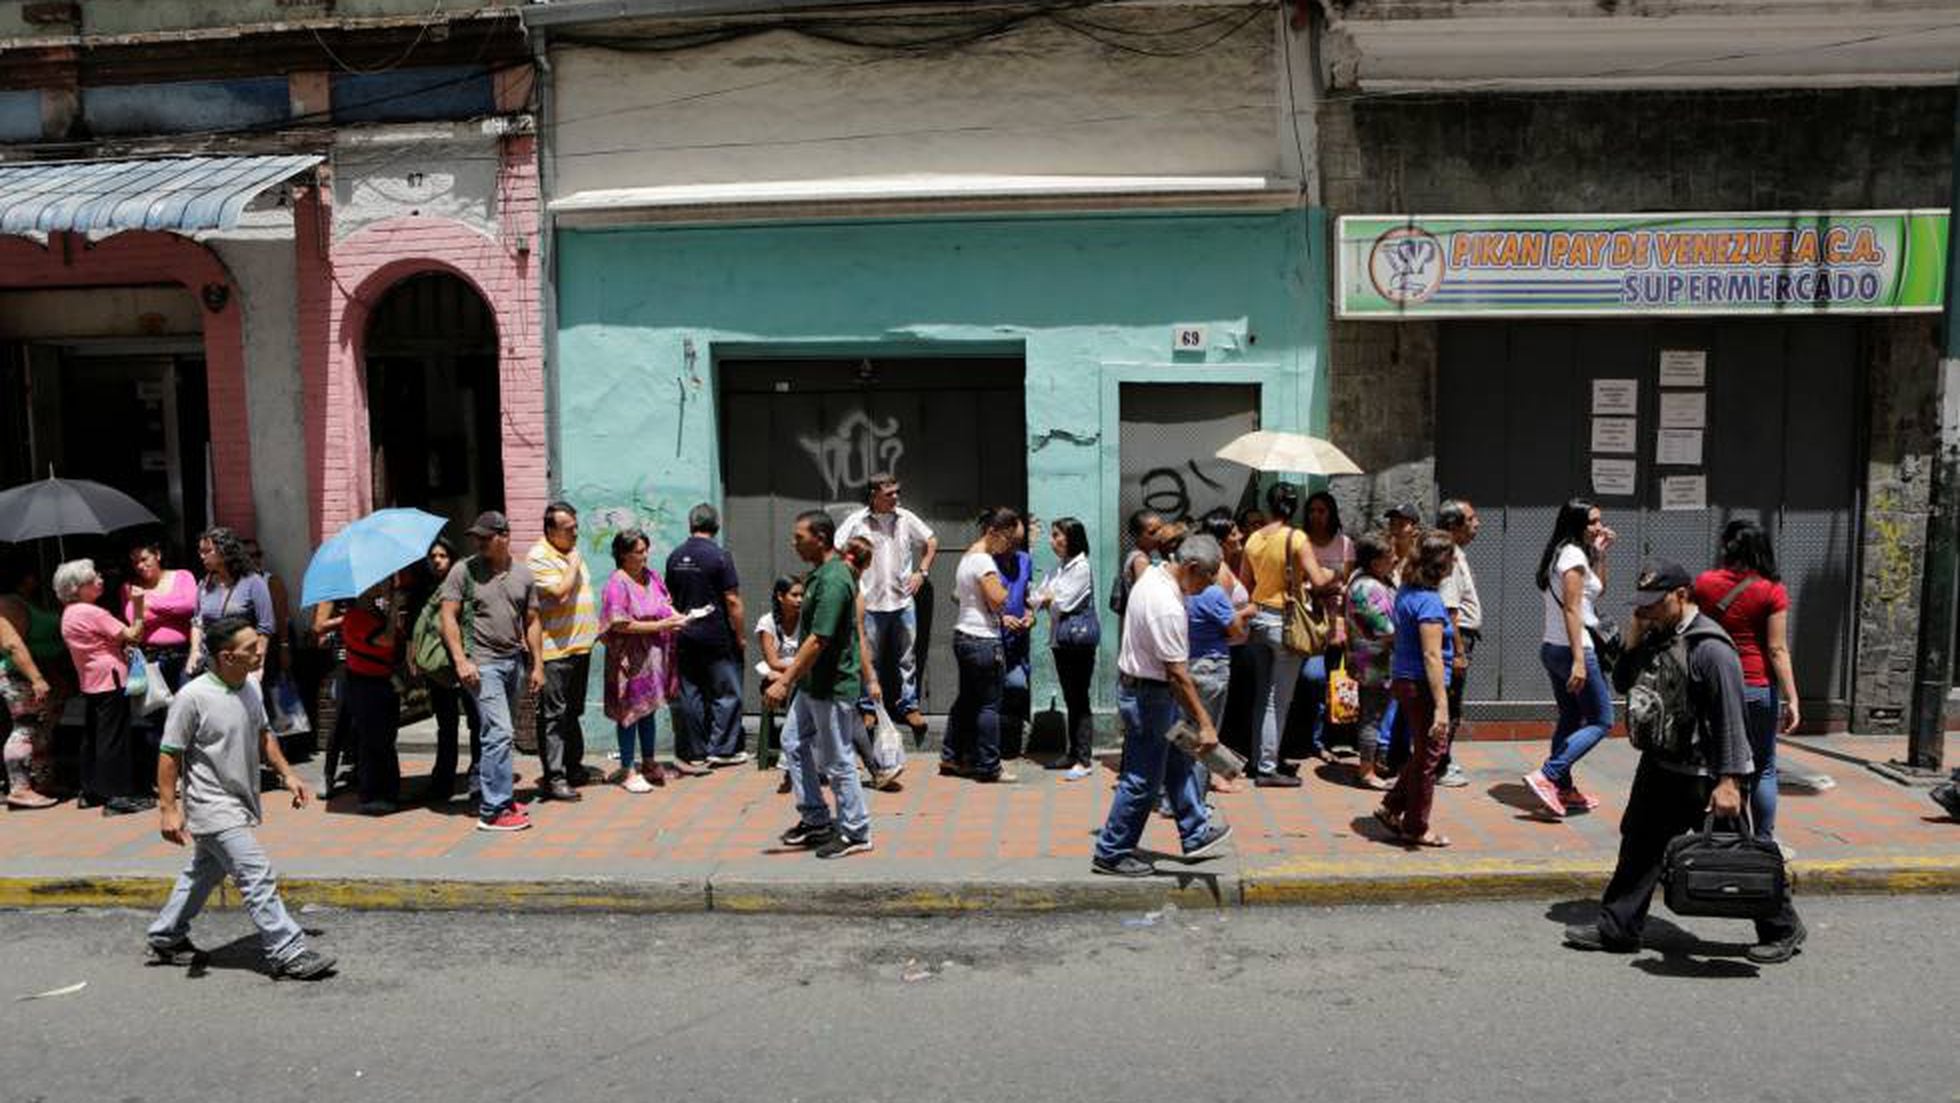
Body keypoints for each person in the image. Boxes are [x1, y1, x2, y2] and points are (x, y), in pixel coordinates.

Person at [1564, 560, 1806, 964]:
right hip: (1662, 764)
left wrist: (1729, 781)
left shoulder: (1710, 647)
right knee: (1639, 846)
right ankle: (1618, 928)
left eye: (1654, 603)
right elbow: (1623, 681)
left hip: (1706, 776)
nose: (1646, 610)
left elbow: (1731, 717)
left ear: (1681, 595)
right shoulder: (1657, 634)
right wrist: (1634, 637)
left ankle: (1783, 926)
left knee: (1734, 851)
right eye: (1642, 603)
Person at [144, 613, 336, 980]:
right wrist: (168, 809)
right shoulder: (192, 697)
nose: (259, 651)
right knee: (256, 873)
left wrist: (288, 775)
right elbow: (169, 754)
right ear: (226, 656)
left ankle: (166, 936)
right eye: (250, 648)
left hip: (239, 800)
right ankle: (287, 950)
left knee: (203, 874)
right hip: (210, 805)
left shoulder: (250, 686)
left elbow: (264, 734)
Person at [1090, 534, 1236, 877]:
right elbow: (1178, 674)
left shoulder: (1154, 575)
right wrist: (1206, 723)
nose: (1209, 585)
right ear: (1192, 567)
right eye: (1208, 577)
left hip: (1151, 693)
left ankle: (1195, 831)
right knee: (1142, 778)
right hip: (1150, 698)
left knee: (1179, 759)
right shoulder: (1167, 606)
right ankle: (1111, 852)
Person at [762, 511, 874, 859]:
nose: (793, 543)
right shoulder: (818, 576)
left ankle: (856, 831)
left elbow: (818, 639)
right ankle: (816, 820)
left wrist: (785, 680)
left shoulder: (835, 579)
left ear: (821, 538)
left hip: (831, 685)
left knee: (838, 759)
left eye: (799, 537)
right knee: (793, 743)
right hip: (812, 685)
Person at [1693, 520, 1800, 842]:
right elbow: (1777, 649)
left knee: (1716, 761)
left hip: (1713, 684)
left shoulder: (1704, 583)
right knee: (1764, 766)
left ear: (1727, 548)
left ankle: (1721, 836)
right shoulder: (1771, 590)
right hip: (1756, 687)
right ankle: (1764, 842)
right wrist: (1792, 698)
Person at [439, 511, 545, 833]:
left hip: (513, 661)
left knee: (500, 733)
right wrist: (461, 660)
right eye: (478, 538)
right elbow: (447, 618)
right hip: (481, 664)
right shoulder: (464, 571)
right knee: (499, 733)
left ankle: (502, 796)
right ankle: (492, 809)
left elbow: (533, 621)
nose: (481, 543)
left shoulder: (523, 576)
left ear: (505, 536)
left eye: (487, 537)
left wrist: (537, 664)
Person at [1239, 483, 1338, 788]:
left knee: (1262, 697)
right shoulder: (1297, 538)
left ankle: (1258, 760)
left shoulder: (1254, 538)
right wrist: (1336, 574)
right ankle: (1268, 767)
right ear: (1294, 508)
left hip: (1257, 620)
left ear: (1269, 505)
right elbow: (1320, 580)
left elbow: (1245, 583)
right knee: (1277, 700)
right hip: (1284, 622)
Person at [1524, 499, 1617, 818]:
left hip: (1553, 647)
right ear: (1576, 522)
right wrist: (1579, 659)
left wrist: (1601, 553)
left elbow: (1596, 592)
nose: (1599, 526)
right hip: (1573, 649)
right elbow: (1572, 608)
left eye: (1600, 520)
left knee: (1569, 717)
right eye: (1592, 521)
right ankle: (1548, 775)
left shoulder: (1564, 553)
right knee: (1602, 720)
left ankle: (1562, 788)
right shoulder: (1573, 555)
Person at [835, 473, 937, 742]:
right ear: (874, 494)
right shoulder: (856, 522)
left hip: (902, 602)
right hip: (869, 603)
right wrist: (852, 583)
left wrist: (921, 572)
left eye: (897, 492)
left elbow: (931, 541)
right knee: (870, 660)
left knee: (907, 658)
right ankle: (869, 708)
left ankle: (909, 706)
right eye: (889, 493)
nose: (895, 497)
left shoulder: (905, 518)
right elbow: (837, 550)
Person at [1374, 532, 1458, 848]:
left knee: (1423, 750)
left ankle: (1392, 805)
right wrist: (1441, 706)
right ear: (1442, 564)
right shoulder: (1430, 602)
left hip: (1405, 679)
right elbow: (1432, 655)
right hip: (1421, 685)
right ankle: (1416, 826)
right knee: (1430, 757)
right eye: (1453, 558)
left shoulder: (1408, 592)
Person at [57, 559, 154, 815]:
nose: (99, 580)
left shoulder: (69, 613)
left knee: (94, 737)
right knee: (114, 739)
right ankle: (117, 795)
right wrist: (139, 606)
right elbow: (133, 634)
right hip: (110, 677)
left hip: (91, 679)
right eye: (92, 579)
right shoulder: (92, 612)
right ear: (77, 588)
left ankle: (92, 790)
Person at [599, 529, 687, 794]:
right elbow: (620, 624)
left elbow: (665, 604)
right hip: (628, 659)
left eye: (646, 549)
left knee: (648, 708)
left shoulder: (652, 577)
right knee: (629, 713)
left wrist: (680, 617)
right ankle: (628, 769)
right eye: (639, 551)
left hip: (653, 655)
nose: (645, 555)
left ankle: (648, 763)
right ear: (623, 555)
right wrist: (661, 624)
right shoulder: (618, 583)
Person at [527, 502, 600, 802]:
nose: (575, 533)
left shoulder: (570, 552)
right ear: (550, 530)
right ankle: (554, 777)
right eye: (568, 529)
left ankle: (574, 767)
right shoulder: (539, 558)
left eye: (575, 527)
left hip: (580, 647)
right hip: (555, 651)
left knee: (572, 713)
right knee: (554, 716)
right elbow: (559, 593)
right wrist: (572, 563)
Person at [665, 503, 746, 771]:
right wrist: (740, 635)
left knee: (691, 693)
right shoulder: (720, 556)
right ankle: (722, 749)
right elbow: (732, 601)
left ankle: (695, 752)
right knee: (726, 692)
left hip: (685, 635)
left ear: (691, 525)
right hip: (717, 636)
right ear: (716, 525)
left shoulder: (675, 556)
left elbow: (670, 599)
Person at [942, 508, 1020, 783]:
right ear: (993, 532)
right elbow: (998, 599)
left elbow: (966, 597)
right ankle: (989, 766)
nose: (1009, 547)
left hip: (963, 634)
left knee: (966, 699)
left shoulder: (967, 557)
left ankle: (951, 755)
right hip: (983, 640)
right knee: (989, 705)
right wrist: (1009, 589)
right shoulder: (984, 561)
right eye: (1008, 540)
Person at [1287, 491, 1355, 762]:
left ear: (1331, 513)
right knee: (1311, 678)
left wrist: (1326, 584)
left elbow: (1347, 583)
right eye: (1312, 510)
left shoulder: (1345, 543)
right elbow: (1298, 580)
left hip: (1337, 618)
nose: (1317, 516)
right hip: (1308, 620)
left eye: (1322, 511)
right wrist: (1321, 584)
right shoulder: (1300, 541)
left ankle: (1330, 739)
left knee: (1336, 679)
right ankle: (1307, 738)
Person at [1183, 542, 1253, 799]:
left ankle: (1178, 797)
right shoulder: (1213, 594)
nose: (1215, 578)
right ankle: (1196, 800)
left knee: (1186, 734)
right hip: (1211, 667)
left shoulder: (1180, 592)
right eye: (1212, 572)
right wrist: (1246, 612)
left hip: (1187, 665)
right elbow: (1235, 631)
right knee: (1206, 736)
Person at [123, 540, 198, 774]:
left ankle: (192, 768)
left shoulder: (183, 577)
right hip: (151, 658)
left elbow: (190, 605)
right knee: (156, 719)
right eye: (135, 562)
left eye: (144, 559)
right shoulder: (129, 588)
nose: (140, 565)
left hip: (184, 654)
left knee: (187, 713)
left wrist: (150, 603)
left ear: (158, 555)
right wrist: (143, 607)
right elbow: (134, 622)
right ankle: (166, 773)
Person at [415, 539, 481, 805]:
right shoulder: (426, 590)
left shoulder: (464, 584)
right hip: (441, 669)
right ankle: (442, 780)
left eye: (443, 555)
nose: (437, 560)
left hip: (465, 662)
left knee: (476, 722)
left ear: (452, 559)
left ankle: (477, 778)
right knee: (446, 725)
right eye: (433, 556)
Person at [1031, 517, 1097, 780]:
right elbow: (1038, 596)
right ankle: (1073, 754)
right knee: (1071, 697)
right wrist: (1047, 598)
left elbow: (1065, 603)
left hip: (1077, 642)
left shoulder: (1081, 567)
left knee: (1079, 698)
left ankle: (1084, 758)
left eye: (1057, 535)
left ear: (1072, 538)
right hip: (1061, 639)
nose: (1052, 540)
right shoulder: (1059, 567)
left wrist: (1048, 598)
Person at [840, 536, 902, 790]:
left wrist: (871, 678)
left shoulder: (853, 590)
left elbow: (859, 636)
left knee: (850, 716)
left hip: (833, 667)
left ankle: (873, 770)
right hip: (826, 667)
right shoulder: (847, 585)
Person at [342, 578, 406, 814]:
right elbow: (386, 641)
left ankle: (389, 791)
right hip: (366, 684)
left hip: (382, 681)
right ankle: (372, 795)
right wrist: (393, 611)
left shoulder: (375, 611)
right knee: (373, 741)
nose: (379, 586)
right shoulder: (356, 617)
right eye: (374, 583)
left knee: (386, 740)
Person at [1433, 500, 1482, 789]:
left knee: (1451, 703)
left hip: (1461, 636)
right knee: (1450, 705)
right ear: (1453, 525)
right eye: (1471, 518)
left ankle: (1441, 759)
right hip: (1456, 638)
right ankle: (1439, 764)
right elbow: (1450, 612)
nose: (1477, 523)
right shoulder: (1448, 556)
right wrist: (1459, 652)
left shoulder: (1456, 553)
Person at [1345, 530, 1397, 791]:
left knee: (1372, 712)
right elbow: (1384, 628)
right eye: (1390, 556)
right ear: (1376, 562)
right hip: (1375, 660)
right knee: (1372, 715)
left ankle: (1370, 764)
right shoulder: (1369, 586)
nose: (1395, 559)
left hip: (1368, 657)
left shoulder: (1364, 580)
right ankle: (1366, 771)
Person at [187, 527, 276, 678]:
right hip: (211, 663)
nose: (202, 556)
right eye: (201, 551)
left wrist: (258, 665)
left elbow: (265, 627)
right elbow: (197, 623)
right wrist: (194, 652)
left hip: (242, 661)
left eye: (207, 551)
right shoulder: (204, 584)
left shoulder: (253, 582)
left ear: (224, 551)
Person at [0, 613, 55, 807]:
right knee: (25, 728)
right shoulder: (4, 612)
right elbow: (12, 645)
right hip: (16, 676)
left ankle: (36, 783)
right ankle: (20, 789)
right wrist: (36, 679)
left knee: (33, 728)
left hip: (13, 675)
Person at [758, 575, 806, 794]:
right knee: (785, 684)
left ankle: (793, 756)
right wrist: (796, 668)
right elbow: (772, 661)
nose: (799, 600)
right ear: (780, 597)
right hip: (780, 678)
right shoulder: (767, 622)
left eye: (801, 595)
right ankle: (790, 758)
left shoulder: (806, 619)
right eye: (794, 595)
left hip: (799, 677)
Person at [995, 516, 1036, 762]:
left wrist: (1031, 615)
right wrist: (1000, 619)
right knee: (990, 695)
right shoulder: (985, 562)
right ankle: (990, 748)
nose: (1014, 547)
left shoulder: (1024, 560)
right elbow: (963, 598)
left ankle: (1008, 744)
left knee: (1017, 686)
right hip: (990, 640)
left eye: (1019, 543)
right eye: (1012, 542)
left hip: (1017, 642)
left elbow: (1029, 595)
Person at [1110, 509, 1164, 621]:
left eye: (1161, 529)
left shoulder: (1138, 555)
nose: (1159, 535)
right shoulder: (1140, 560)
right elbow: (1145, 596)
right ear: (1137, 536)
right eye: (1152, 532)